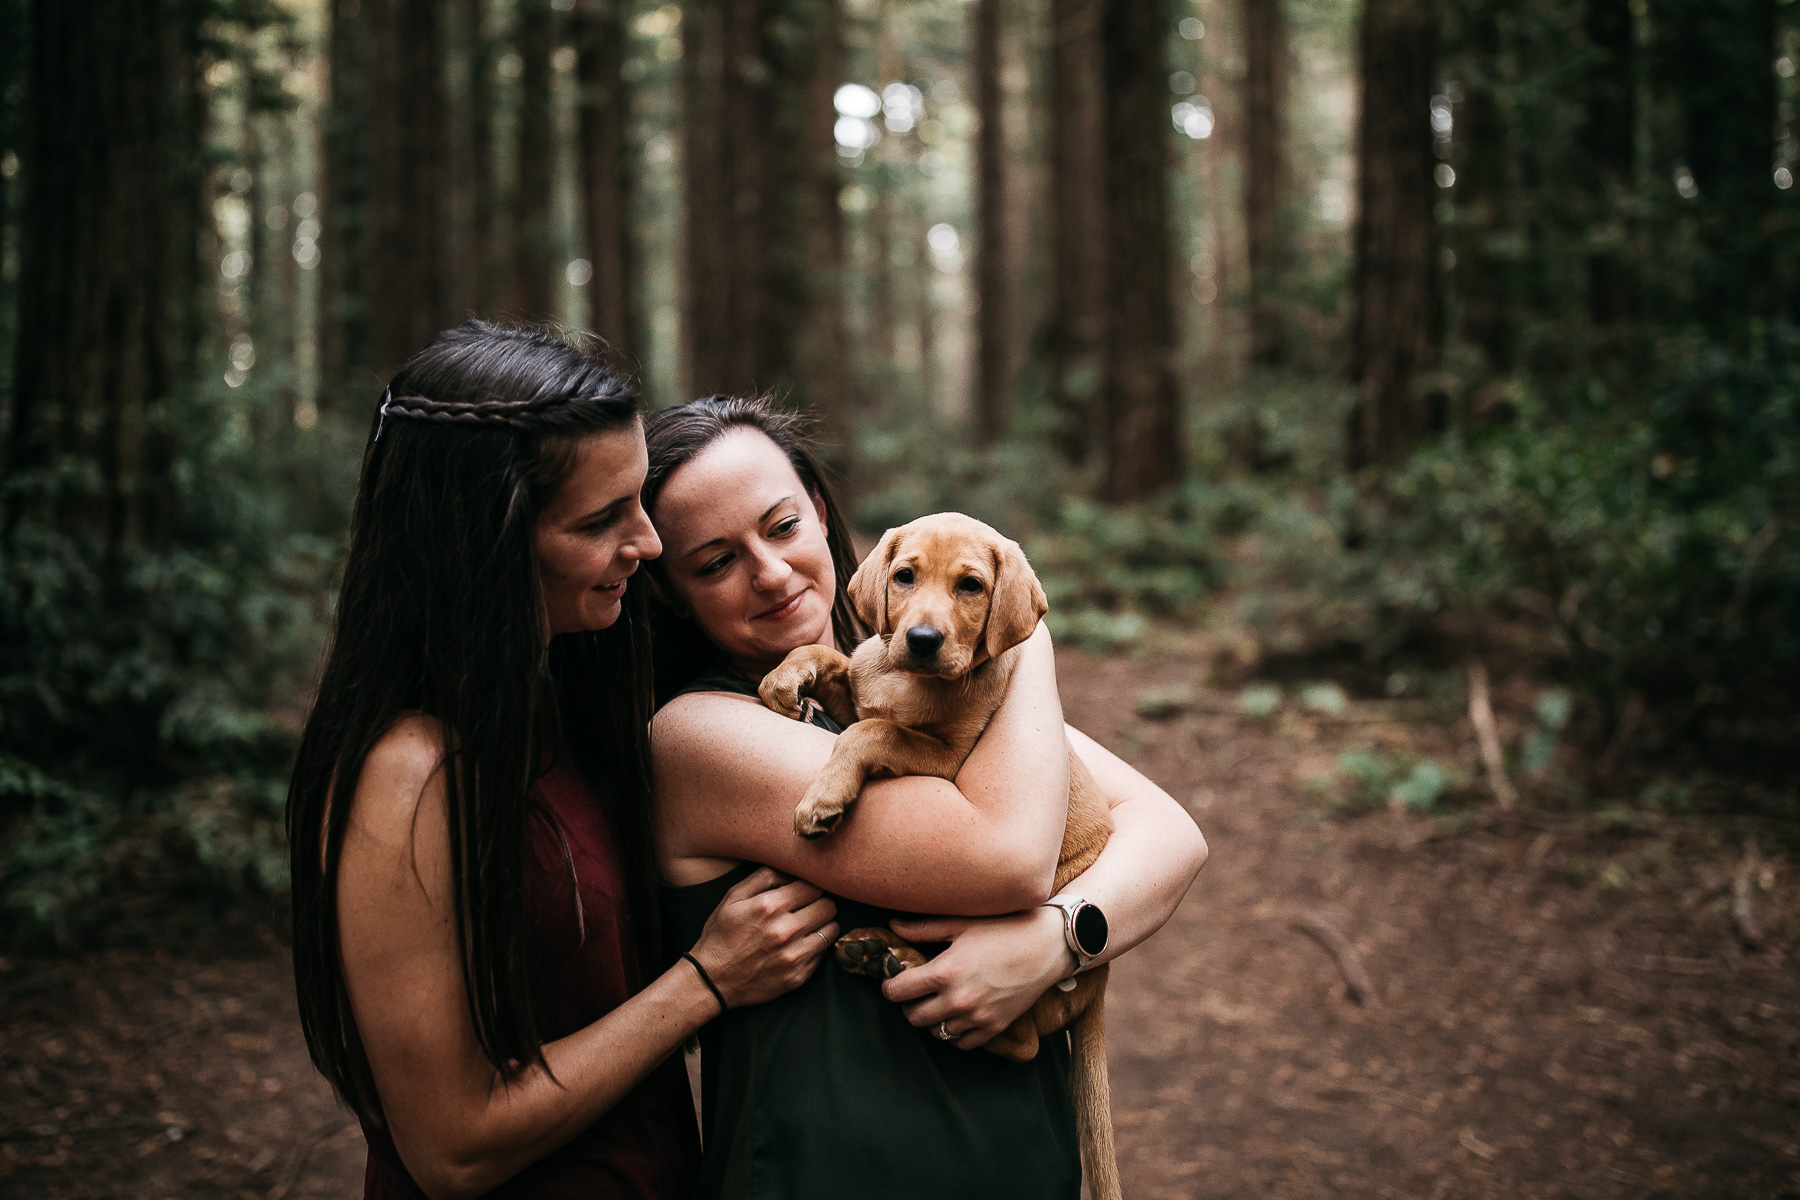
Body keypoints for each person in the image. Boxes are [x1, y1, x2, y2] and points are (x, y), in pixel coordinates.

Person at [286, 324, 838, 1200]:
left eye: (638, 503)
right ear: (486, 542)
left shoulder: (570, 695)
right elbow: (450, 1149)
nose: (648, 544)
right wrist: (704, 982)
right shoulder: (409, 776)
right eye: (599, 520)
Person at [643, 395, 1209, 1200]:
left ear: (821, 513)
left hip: (1015, 1153)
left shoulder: (924, 679)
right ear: (670, 590)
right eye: (714, 563)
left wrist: (1057, 941)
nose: (769, 572)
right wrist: (1018, 635)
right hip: (831, 1173)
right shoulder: (698, 736)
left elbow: (1170, 832)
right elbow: (1010, 859)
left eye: (782, 526)